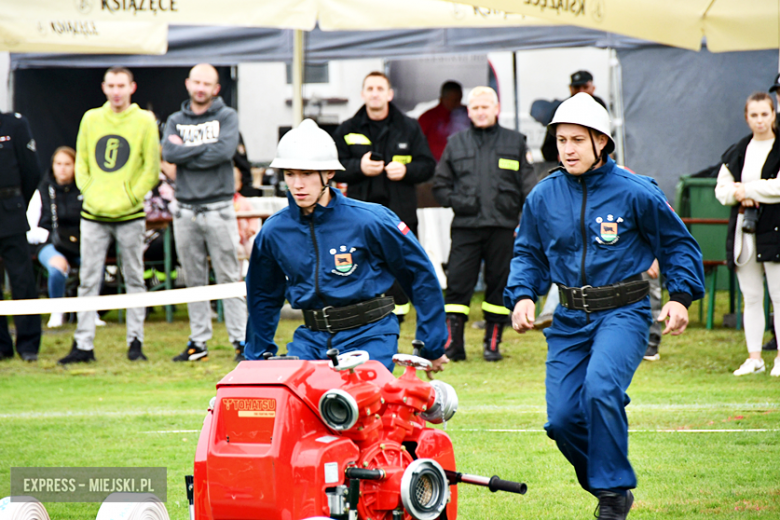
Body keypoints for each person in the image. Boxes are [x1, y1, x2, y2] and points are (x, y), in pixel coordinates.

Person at [505, 93, 704, 519]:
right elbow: (528, 253)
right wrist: (522, 293)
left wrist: (680, 298)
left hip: (624, 312)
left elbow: (678, 244)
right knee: (560, 420)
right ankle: (605, 483)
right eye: (561, 140)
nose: (568, 149)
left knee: (600, 389)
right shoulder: (542, 196)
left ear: (601, 142)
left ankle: (613, 496)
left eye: (578, 139)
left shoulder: (636, 191)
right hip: (569, 318)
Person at [245, 119, 448, 374]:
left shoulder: (372, 220)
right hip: (310, 339)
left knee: (357, 404)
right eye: (290, 174)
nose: (297, 184)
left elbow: (419, 274)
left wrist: (432, 343)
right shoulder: (273, 231)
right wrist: (256, 357)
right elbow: (262, 296)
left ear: (329, 173)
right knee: (294, 406)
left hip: (370, 336)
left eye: (306, 173)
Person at [59, 67, 160, 365]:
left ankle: (135, 342)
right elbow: (82, 162)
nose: (117, 91)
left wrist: (130, 196)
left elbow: (150, 168)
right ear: (104, 87)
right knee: (88, 279)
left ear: (132, 87)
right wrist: (91, 192)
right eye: (112, 85)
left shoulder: (144, 121)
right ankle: (83, 345)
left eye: (122, 85)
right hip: (93, 214)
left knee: (134, 278)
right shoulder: (91, 119)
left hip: (130, 215)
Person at [432, 86, 535, 362]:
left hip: (503, 227)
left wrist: (528, 220)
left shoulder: (515, 142)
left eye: (485, 107)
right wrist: (459, 201)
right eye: (475, 108)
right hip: (466, 228)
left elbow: (528, 188)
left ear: (496, 109)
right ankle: (454, 345)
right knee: (457, 285)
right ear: (469, 111)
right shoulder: (456, 143)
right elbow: (439, 186)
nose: (480, 112)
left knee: (499, 286)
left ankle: (492, 344)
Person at [333, 71, 436, 323]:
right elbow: (332, 168)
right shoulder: (348, 128)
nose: (375, 93)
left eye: (380, 88)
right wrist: (359, 168)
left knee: (402, 265)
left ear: (389, 94)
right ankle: (365, 313)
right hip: (360, 214)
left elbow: (428, 165)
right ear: (362, 94)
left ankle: (397, 317)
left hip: (400, 212)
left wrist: (406, 171)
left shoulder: (409, 127)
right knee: (362, 264)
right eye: (370, 88)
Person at [162, 63, 247, 363]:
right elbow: (169, 154)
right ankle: (198, 343)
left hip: (219, 208)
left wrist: (187, 150)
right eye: (196, 82)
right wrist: (202, 148)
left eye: (206, 83)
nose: (200, 87)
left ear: (216, 88)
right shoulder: (174, 119)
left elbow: (224, 152)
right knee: (192, 278)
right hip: (184, 210)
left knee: (229, 277)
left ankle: (241, 341)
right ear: (188, 83)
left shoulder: (227, 116)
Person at [715, 92, 780, 377]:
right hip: (745, 229)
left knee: (778, 296)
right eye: (754, 115)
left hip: (774, 230)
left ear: (773, 114)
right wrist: (738, 194)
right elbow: (722, 189)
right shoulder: (739, 150)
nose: (760, 120)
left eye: (764, 114)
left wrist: (749, 190)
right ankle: (754, 357)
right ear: (746, 118)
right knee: (751, 296)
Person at [26, 147, 85, 328]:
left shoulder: (84, 189)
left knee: (92, 264)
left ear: (75, 166)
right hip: (49, 243)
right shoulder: (42, 191)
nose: (63, 168)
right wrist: (47, 235)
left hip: (79, 243)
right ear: (52, 166)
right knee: (57, 266)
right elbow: (29, 228)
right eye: (58, 164)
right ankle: (57, 312)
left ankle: (90, 311)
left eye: (67, 164)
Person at [0, 110, 42, 362]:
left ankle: (28, 345)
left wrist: (16, 203)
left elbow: (31, 171)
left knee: (22, 281)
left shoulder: (14, 124)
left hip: (11, 213)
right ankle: (2, 346)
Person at [418, 81, 470, 162]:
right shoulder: (428, 118)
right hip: (435, 166)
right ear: (442, 99)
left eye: (459, 99)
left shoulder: (468, 114)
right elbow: (417, 143)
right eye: (454, 100)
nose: (458, 104)